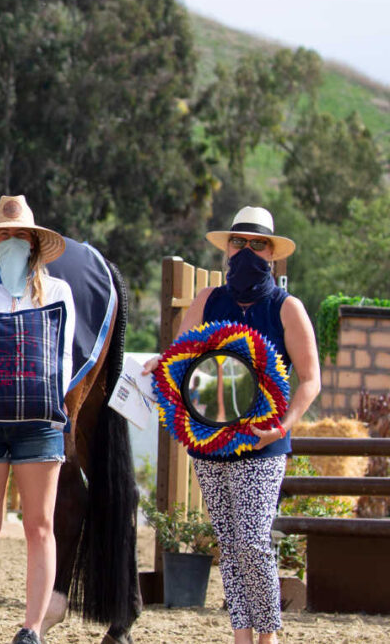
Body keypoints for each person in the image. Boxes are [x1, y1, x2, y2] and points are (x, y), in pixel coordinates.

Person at [143, 206, 320, 644]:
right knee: (229, 541)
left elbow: (311, 379)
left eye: (256, 244)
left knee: (254, 541)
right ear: (228, 249)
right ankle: (241, 633)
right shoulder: (208, 300)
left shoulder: (286, 307)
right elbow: (182, 354)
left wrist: (284, 426)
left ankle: (269, 634)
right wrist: (159, 363)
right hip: (211, 441)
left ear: (272, 254)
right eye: (239, 242)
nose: (246, 251)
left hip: (263, 442)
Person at [0, 195, 75, 644]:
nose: (12, 241)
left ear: (35, 241)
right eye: (4, 234)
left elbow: (62, 359)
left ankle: (32, 628)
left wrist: (48, 402)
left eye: (20, 234)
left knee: (39, 526)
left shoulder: (58, 293)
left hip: (39, 423)